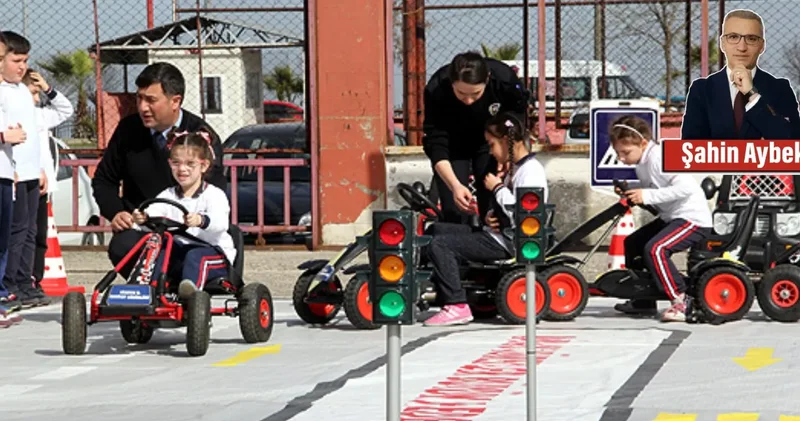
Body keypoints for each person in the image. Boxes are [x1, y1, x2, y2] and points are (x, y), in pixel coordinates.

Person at [92, 62, 226, 279]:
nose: (142, 107)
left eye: (151, 100)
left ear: (175, 101)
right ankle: (151, 286)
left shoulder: (200, 136)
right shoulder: (128, 130)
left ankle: (182, 285)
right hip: (144, 229)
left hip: (190, 233)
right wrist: (116, 212)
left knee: (191, 254)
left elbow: (215, 187)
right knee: (122, 246)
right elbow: (104, 180)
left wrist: (194, 220)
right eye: (139, 98)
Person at [423, 111, 547, 327]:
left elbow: (524, 213)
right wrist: (491, 217)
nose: (490, 151)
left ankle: (456, 304)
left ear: (506, 141)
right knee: (435, 231)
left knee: (440, 244)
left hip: (509, 243)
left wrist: (497, 188)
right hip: (498, 234)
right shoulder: (515, 170)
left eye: (492, 145)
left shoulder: (531, 171)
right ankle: (436, 287)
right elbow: (507, 210)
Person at [609, 116, 712, 322]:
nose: (621, 158)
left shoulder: (659, 157)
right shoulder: (642, 162)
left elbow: (686, 188)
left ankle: (681, 301)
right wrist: (631, 190)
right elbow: (657, 188)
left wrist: (646, 195)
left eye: (625, 152)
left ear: (643, 143)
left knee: (656, 249)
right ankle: (643, 300)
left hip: (692, 219)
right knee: (633, 243)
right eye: (618, 153)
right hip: (671, 217)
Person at [422, 51, 530, 226]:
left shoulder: (504, 81)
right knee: (455, 209)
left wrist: (508, 157)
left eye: (476, 93)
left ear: (487, 79)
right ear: (451, 83)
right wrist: (455, 185)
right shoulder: (437, 89)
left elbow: (516, 123)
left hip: (492, 144)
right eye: (461, 93)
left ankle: (493, 240)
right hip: (454, 145)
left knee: (494, 208)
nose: (469, 101)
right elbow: (436, 144)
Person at [131, 131, 235, 298]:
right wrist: (143, 218)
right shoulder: (168, 195)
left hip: (214, 253)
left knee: (194, 256)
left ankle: (190, 295)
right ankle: (149, 291)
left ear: (204, 166)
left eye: (190, 164)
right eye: (176, 163)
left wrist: (201, 220)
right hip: (180, 252)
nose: (182, 169)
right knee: (158, 249)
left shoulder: (214, 195)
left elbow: (221, 224)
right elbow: (154, 212)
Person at [681, 9, 800, 140]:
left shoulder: (780, 89)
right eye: (733, 37)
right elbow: (690, 147)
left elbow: (791, 142)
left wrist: (752, 95)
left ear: (762, 46)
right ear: (723, 44)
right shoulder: (702, 90)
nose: (742, 47)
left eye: (751, 39)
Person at [0, 31, 49, 308]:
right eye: (16, 61)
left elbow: (33, 135)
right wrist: (14, 170)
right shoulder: (3, 92)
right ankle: (9, 283)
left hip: (31, 171)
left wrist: (39, 168)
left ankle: (24, 281)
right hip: (13, 173)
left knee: (30, 230)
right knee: (15, 231)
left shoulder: (22, 90)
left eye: (25, 61)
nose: (22, 67)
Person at [23, 69, 74, 296]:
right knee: (22, 234)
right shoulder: (12, 115)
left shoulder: (40, 115)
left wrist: (48, 89)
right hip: (24, 182)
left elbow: (66, 109)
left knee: (39, 235)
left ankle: (35, 279)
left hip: (42, 187)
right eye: (32, 93)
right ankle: (19, 279)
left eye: (38, 93)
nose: (37, 99)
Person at [0, 31, 27, 322]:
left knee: (3, 239)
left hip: (4, 174)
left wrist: (12, 166)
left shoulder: (9, 92)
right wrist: (3, 137)